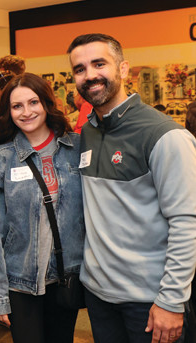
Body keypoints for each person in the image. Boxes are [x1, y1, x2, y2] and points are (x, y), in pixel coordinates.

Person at [67, 33, 196, 343]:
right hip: (99, 296)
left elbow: (187, 223)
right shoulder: (87, 133)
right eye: (80, 68)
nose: (90, 75)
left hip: (150, 301)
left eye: (99, 64)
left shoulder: (166, 136)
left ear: (123, 69)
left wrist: (171, 300)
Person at [0, 73, 84, 343]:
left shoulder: (77, 149)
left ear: (47, 103)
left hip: (66, 277)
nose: (26, 112)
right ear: (8, 112)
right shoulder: (1, 160)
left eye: (33, 102)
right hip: (20, 282)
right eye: (17, 106)